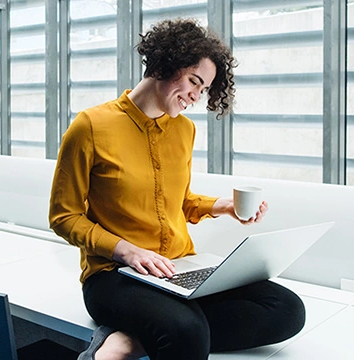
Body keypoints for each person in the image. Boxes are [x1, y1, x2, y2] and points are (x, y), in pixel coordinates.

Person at [49, 18, 305, 360]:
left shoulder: (183, 131)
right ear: (166, 63)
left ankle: (132, 340)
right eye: (194, 82)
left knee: (286, 309)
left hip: (178, 268)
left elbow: (177, 201)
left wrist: (221, 206)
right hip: (115, 275)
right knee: (186, 331)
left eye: (204, 90)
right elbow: (63, 216)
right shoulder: (90, 126)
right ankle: (159, 330)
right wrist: (125, 250)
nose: (196, 96)